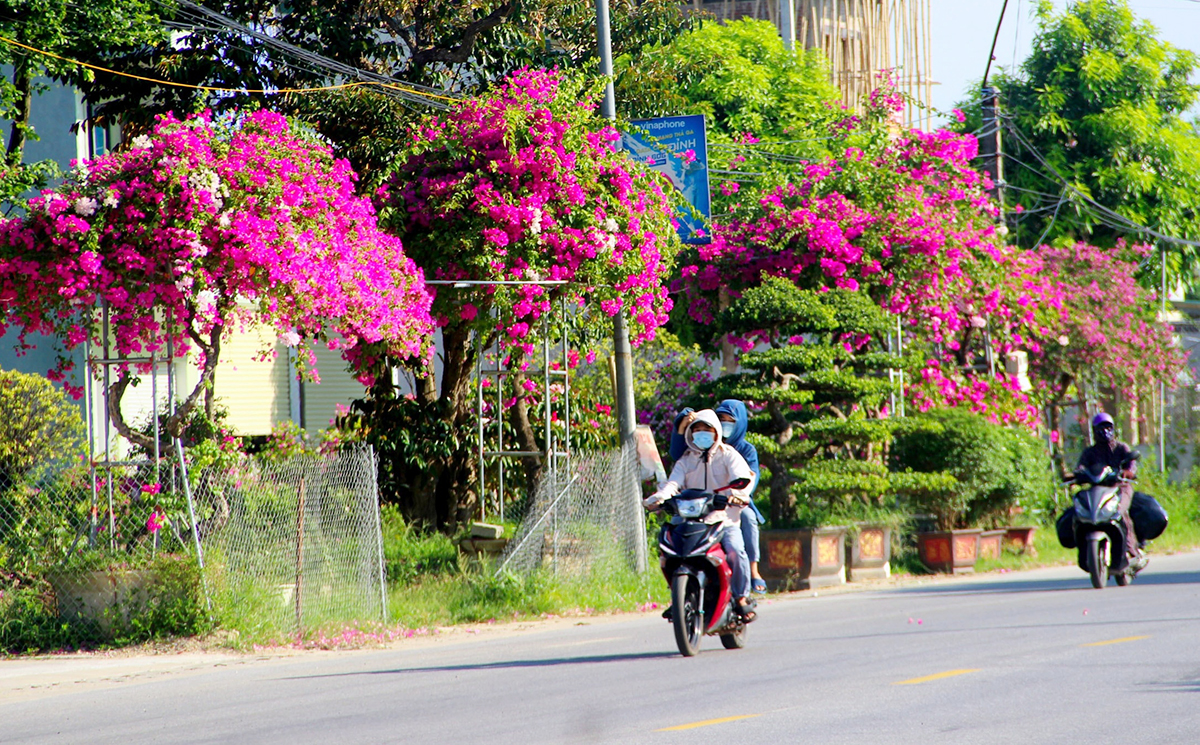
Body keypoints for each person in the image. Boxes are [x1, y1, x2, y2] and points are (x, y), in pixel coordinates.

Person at [646, 409, 757, 621]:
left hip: (723, 521)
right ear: (690, 433)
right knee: (669, 554)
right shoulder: (686, 460)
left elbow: (743, 478)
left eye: (706, 429)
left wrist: (738, 495)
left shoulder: (729, 455)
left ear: (716, 432)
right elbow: (673, 483)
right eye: (696, 429)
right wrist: (659, 498)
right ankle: (679, 598)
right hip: (690, 521)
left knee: (735, 551)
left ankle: (742, 599)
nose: (701, 433)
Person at [671, 401, 768, 594]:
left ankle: (753, 571)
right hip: (699, 502)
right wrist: (681, 425)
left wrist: (738, 495)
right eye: (720, 420)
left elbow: (750, 479)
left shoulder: (741, 451)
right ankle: (679, 588)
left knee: (747, 518)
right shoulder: (696, 450)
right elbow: (676, 457)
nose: (724, 425)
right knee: (675, 524)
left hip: (731, 502)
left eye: (729, 421)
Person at [1056, 413, 1168, 567]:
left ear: (1113, 429)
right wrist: (1076, 475)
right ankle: (1084, 551)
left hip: (1121, 487)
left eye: (1108, 427)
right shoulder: (1090, 452)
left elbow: (1131, 467)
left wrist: (1126, 473)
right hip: (1098, 489)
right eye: (1101, 427)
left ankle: (1131, 550)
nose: (1105, 431)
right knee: (1080, 510)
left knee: (1120, 511)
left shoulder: (1122, 448)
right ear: (1094, 430)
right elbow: (1081, 467)